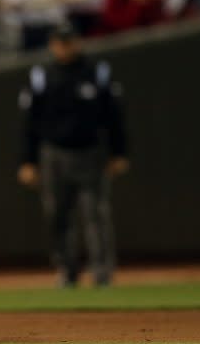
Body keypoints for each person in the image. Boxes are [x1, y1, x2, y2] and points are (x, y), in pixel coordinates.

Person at [17, 23, 129, 287]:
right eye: (59, 42)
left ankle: (102, 272)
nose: (64, 47)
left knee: (96, 214)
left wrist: (119, 152)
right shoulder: (41, 75)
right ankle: (67, 271)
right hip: (53, 153)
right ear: (52, 45)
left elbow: (115, 116)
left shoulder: (97, 72)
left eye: (68, 42)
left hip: (91, 152)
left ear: (77, 42)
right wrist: (27, 160)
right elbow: (29, 122)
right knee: (57, 215)